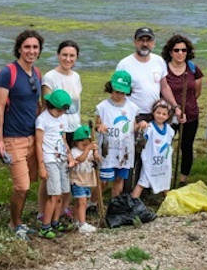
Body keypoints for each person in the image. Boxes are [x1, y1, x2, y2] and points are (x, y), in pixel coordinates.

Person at [0, 29, 44, 240]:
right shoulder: (8, 72)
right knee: (21, 186)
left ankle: (18, 220)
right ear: (19, 49)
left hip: (33, 136)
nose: (31, 51)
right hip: (13, 138)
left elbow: (37, 106)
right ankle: (15, 223)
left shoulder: (37, 73)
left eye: (35, 47)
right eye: (27, 47)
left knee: (30, 182)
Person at [40, 40, 82, 222]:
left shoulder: (76, 77)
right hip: (55, 131)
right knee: (49, 173)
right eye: (64, 55)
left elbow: (77, 104)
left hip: (73, 128)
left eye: (72, 55)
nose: (68, 58)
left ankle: (62, 208)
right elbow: (45, 104)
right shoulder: (50, 77)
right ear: (58, 55)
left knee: (68, 170)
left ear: (76, 58)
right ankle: (43, 211)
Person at [161, 34, 204, 185]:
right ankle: (162, 177)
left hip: (191, 115)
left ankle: (182, 180)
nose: (180, 53)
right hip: (167, 116)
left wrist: (187, 107)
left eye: (184, 50)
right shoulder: (163, 69)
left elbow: (197, 92)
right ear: (170, 52)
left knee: (186, 147)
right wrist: (175, 108)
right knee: (164, 146)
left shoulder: (193, 69)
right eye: (176, 50)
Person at [116, 27, 182, 120]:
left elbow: (164, 87)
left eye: (148, 40)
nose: (145, 44)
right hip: (132, 115)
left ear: (154, 43)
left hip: (155, 114)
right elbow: (117, 92)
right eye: (141, 40)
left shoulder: (159, 61)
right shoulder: (124, 65)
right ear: (135, 42)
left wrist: (175, 107)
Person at [34, 89, 74, 238]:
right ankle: (45, 225)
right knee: (54, 194)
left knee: (62, 193)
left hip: (62, 158)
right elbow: (38, 144)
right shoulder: (42, 120)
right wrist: (41, 165)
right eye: (58, 110)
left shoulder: (63, 118)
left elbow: (63, 139)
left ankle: (56, 221)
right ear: (50, 105)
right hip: (50, 160)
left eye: (63, 110)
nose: (61, 113)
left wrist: (69, 156)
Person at [95, 71, 138, 199]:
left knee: (119, 179)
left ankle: (115, 204)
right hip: (108, 150)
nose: (119, 95)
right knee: (104, 181)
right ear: (110, 88)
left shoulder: (133, 107)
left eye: (122, 92)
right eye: (116, 91)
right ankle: (93, 202)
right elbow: (96, 125)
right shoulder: (102, 107)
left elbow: (133, 127)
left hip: (124, 150)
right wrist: (99, 127)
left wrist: (140, 126)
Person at [131, 100, 175, 203]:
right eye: (158, 113)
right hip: (150, 163)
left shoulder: (169, 130)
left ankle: (170, 203)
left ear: (168, 116)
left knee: (165, 183)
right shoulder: (149, 128)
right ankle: (132, 204)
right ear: (153, 113)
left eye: (164, 114)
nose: (160, 116)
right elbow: (141, 140)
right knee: (141, 183)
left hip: (163, 164)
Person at [69, 125, 99, 234]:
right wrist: (87, 149)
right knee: (82, 202)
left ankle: (76, 220)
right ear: (76, 142)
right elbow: (81, 159)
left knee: (82, 203)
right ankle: (82, 223)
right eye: (83, 144)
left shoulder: (89, 151)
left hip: (87, 181)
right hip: (78, 181)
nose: (85, 146)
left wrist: (95, 153)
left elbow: (97, 160)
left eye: (87, 144)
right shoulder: (74, 151)